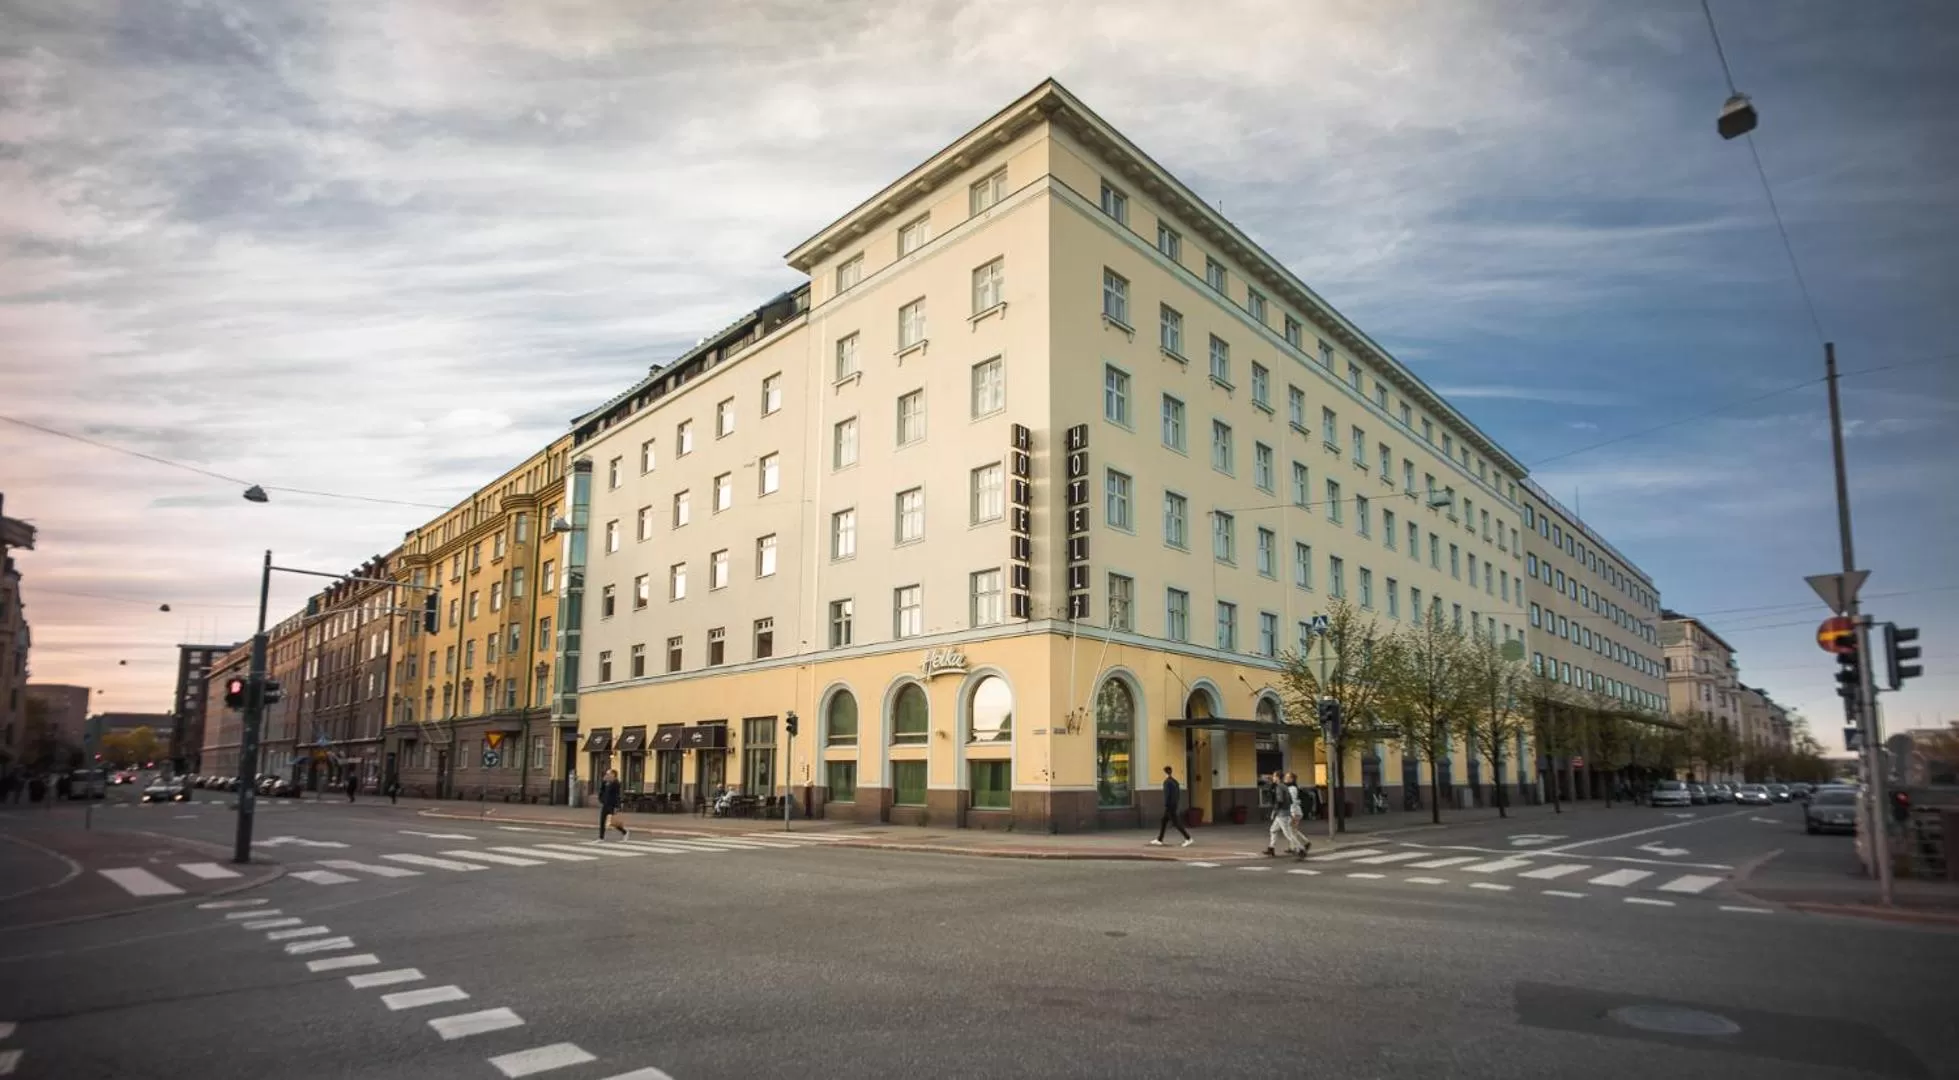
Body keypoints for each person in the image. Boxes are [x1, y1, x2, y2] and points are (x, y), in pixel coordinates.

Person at [1264, 770, 1307, 860]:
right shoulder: (1284, 786)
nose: (1273, 777)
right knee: (1273, 830)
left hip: (1282, 813)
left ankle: (1301, 849)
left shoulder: (1279, 787)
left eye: (1274, 776)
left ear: (1278, 777)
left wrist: (1274, 811)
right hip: (1284, 812)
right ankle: (1271, 848)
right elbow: (1290, 800)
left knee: (1288, 834)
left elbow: (1279, 800)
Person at [1149, 765, 1194, 847]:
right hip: (1174, 805)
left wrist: (1166, 804)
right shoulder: (1175, 781)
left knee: (1176, 823)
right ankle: (1159, 839)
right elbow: (1177, 794)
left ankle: (1188, 838)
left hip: (1170, 806)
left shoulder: (1167, 782)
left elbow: (1167, 795)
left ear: (1164, 773)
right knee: (1163, 821)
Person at [595, 768, 629, 841]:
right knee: (602, 821)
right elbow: (602, 790)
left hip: (612, 805)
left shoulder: (616, 783)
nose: (607, 775)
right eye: (607, 774)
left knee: (612, 822)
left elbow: (617, 795)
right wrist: (601, 799)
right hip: (605, 804)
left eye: (608, 774)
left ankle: (624, 831)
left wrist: (617, 806)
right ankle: (601, 837)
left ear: (613, 775)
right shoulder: (606, 782)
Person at [1284, 772, 1311, 858]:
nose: (1285, 778)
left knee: (1290, 831)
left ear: (1292, 779)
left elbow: (1293, 802)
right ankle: (1305, 843)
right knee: (1293, 830)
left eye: (1287, 777)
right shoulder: (1291, 787)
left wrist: (1292, 813)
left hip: (1295, 812)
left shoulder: (1292, 788)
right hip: (1296, 812)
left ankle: (1300, 848)